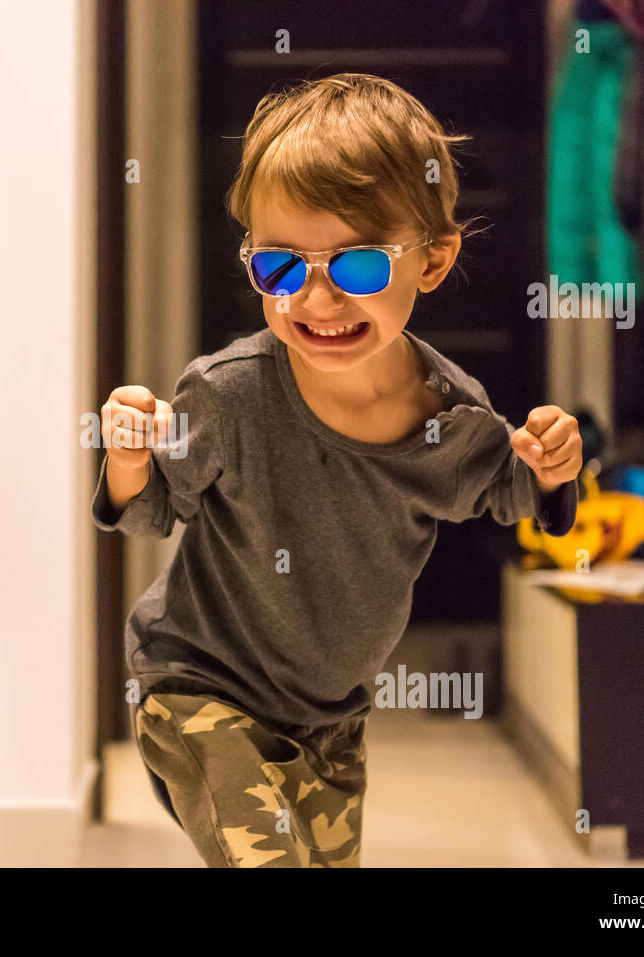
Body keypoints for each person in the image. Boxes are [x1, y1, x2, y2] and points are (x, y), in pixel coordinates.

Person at [89, 73, 582, 868]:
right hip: (196, 684)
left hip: (330, 718)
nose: (315, 298)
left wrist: (555, 464)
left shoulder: (451, 416)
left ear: (434, 259)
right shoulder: (228, 394)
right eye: (280, 268)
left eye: (356, 268)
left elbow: (515, 493)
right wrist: (126, 456)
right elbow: (150, 510)